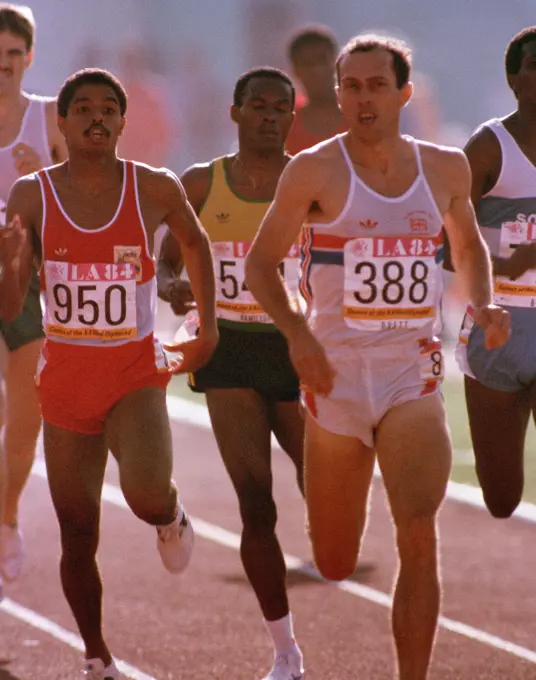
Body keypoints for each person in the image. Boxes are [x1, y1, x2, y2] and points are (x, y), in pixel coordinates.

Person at [245, 34, 510, 680]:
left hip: (409, 375)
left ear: (404, 94)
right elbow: (259, 265)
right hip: (333, 379)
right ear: (336, 95)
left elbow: (469, 249)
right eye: (352, 86)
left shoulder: (444, 168)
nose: (364, 98)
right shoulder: (312, 170)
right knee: (334, 560)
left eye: (377, 86)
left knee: (417, 531)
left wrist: (486, 306)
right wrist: (299, 336)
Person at [0, 67, 218, 680]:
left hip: (133, 368)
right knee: (77, 530)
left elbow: (196, 246)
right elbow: (11, 307)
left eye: (108, 108)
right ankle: (97, 656)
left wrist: (209, 326)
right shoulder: (31, 195)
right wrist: (14, 263)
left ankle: (170, 516)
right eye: (83, 108)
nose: (96, 117)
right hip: (66, 378)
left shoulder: (154, 187)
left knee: (146, 492)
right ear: (62, 124)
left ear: (124, 121)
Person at [157, 67, 305, 680]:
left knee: (325, 492)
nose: (269, 116)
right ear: (235, 112)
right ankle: (286, 653)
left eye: (280, 108)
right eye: (258, 106)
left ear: (291, 117)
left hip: (299, 348)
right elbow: (166, 264)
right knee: (257, 506)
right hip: (230, 352)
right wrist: (175, 289)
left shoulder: (315, 180)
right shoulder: (199, 183)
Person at [444, 27, 536, 518]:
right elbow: (445, 244)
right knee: (501, 499)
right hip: (497, 325)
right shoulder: (487, 147)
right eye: (535, 65)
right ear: (514, 79)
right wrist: (499, 264)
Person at [0, 3, 67, 597]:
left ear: (29, 57)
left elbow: (86, 205)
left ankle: (7, 513)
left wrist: (42, 171)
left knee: (27, 411)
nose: (3, 69)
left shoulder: (48, 121)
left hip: (24, 281)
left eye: (12, 58)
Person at [285, 25, 347, 154]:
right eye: (308, 63)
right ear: (295, 70)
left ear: (337, 63)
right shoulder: (285, 124)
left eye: (322, 60)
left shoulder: (360, 115)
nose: (317, 70)